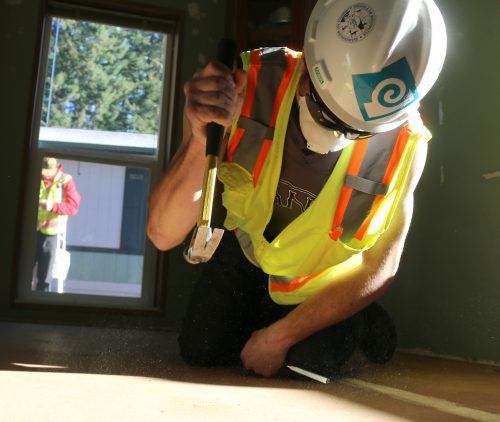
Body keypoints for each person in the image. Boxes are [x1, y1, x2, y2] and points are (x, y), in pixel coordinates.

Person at [148, 0, 447, 378]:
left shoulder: (405, 144)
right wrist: (199, 136)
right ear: (307, 67)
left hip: (323, 283)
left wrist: (280, 338)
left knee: (306, 366)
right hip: (249, 255)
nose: (334, 136)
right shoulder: (250, 83)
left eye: (355, 130)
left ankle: (361, 317)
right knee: (200, 350)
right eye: (326, 114)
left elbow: (381, 266)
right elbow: (162, 233)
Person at [33, 157, 81, 292]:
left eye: (46, 172)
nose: (43, 174)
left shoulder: (65, 180)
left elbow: (73, 207)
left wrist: (52, 206)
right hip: (29, 231)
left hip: (51, 234)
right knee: (22, 273)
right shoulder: (33, 175)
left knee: (44, 278)